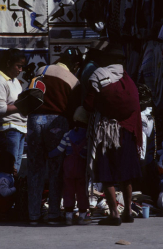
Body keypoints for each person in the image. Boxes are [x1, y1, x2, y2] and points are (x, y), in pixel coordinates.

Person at [84, 43, 143, 226]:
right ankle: (128, 212)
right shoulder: (127, 79)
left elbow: (88, 104)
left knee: (106, 173)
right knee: (126, 174)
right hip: (127, 131)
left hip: (106, 132)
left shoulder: (99, 76)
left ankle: (115, 215)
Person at [26, 52, 81, 225]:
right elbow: (73, 110)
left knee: (35, 169)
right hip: (57, 123)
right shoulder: (74, 81)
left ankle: (33, 215)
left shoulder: (42, 69)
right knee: (56, 170)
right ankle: (54, 214)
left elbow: (31, 93)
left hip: (34, 120)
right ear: (74, 66)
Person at [49, 106, 90, 226]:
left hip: (68, 168)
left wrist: (48, 154)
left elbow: (59, 149)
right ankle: (82, 217)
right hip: (82, 168)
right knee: (82, 192)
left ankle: (68, 217)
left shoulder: (67, 134)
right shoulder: (87, 136)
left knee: (68, 191)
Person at [0, 48, 26, 172]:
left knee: (15, 166)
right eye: (18, 66)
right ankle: (5, 190)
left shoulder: (14, 81)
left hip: (19, 128)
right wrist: (23, 106)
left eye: (22, 67)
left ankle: (11, 189)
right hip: (8, 129)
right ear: (8, 63)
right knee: (10, 167)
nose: (20, 70)